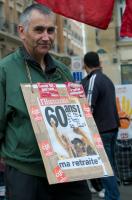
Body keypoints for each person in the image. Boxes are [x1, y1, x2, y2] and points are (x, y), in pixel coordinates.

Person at [0, 4, 92, 200]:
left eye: (50, 30)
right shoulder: (5, 70)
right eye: (39, 30)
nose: (46, 37)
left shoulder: (62, 70)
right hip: (26, 172)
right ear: (22, 31)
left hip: (68, 168)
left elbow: (77, 117)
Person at [81, 51, 121, 200]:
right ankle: (112, 194)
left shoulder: (93, 80)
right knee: (110, 165)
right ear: (99, 63)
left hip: (102, 130)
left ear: (85, 65)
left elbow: (88, 108)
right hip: (112, 128)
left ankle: (112, 196)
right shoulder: (107, 79)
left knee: (105, 167)